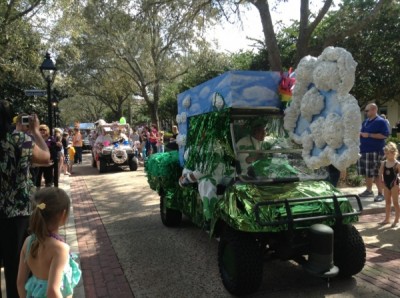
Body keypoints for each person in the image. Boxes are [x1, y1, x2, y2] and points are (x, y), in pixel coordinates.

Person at [0, 100, 50, 298]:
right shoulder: (19, 139)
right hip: (19, 211)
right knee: (18, 267)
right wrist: (36, 132)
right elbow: (45, 157)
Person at [17, 188, 81, 297]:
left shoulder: (28, 242)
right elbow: (52, 291)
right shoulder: (60, 249)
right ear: (63, 214)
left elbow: (20, 283)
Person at [357, 103, 390, 202]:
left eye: (367, 111)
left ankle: (381, 194)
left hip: (375, 151)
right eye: (365, 111)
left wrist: (369, 135)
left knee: (376, 173)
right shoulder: (366, 121)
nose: (366, 112)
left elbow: (385, 135)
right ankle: (369, 190)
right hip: (364, 151)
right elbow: (362, 133)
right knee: (368, 173)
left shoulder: (381, 121)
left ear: (374, 110)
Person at [378, 142, 400, 227]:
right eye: (385, 153)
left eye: (388, 153)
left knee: (395, 202)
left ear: (394, 153)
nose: (386, 155)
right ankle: (387, 219)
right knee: (387, 202)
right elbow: (380, 173)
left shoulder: (397, 164)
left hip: (394, 184)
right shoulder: (384, 163)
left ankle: (397, 219)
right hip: (386, 184)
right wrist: (381, 183)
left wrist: (398, 181)